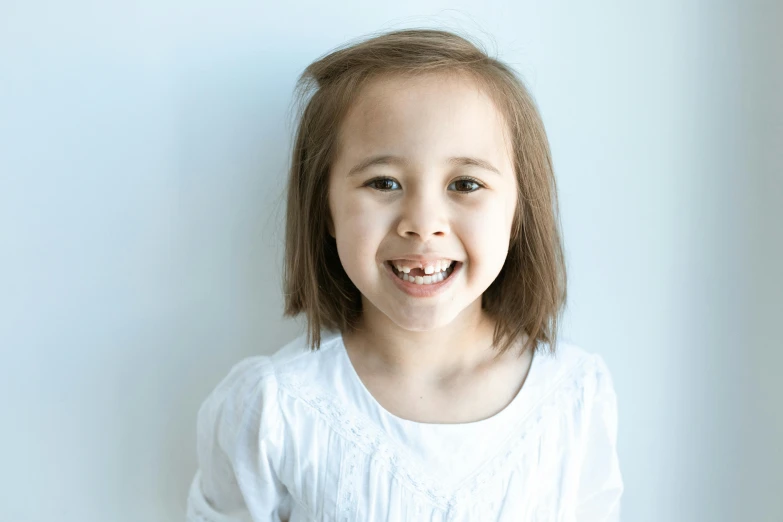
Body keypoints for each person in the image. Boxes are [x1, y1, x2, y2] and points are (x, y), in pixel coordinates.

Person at [186, 27, 623, 521]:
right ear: (324, 209)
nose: (423, 224)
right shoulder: (272, 411)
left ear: (519, 211)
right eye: (384, 182)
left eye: (465, 183)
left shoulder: (574, 398)